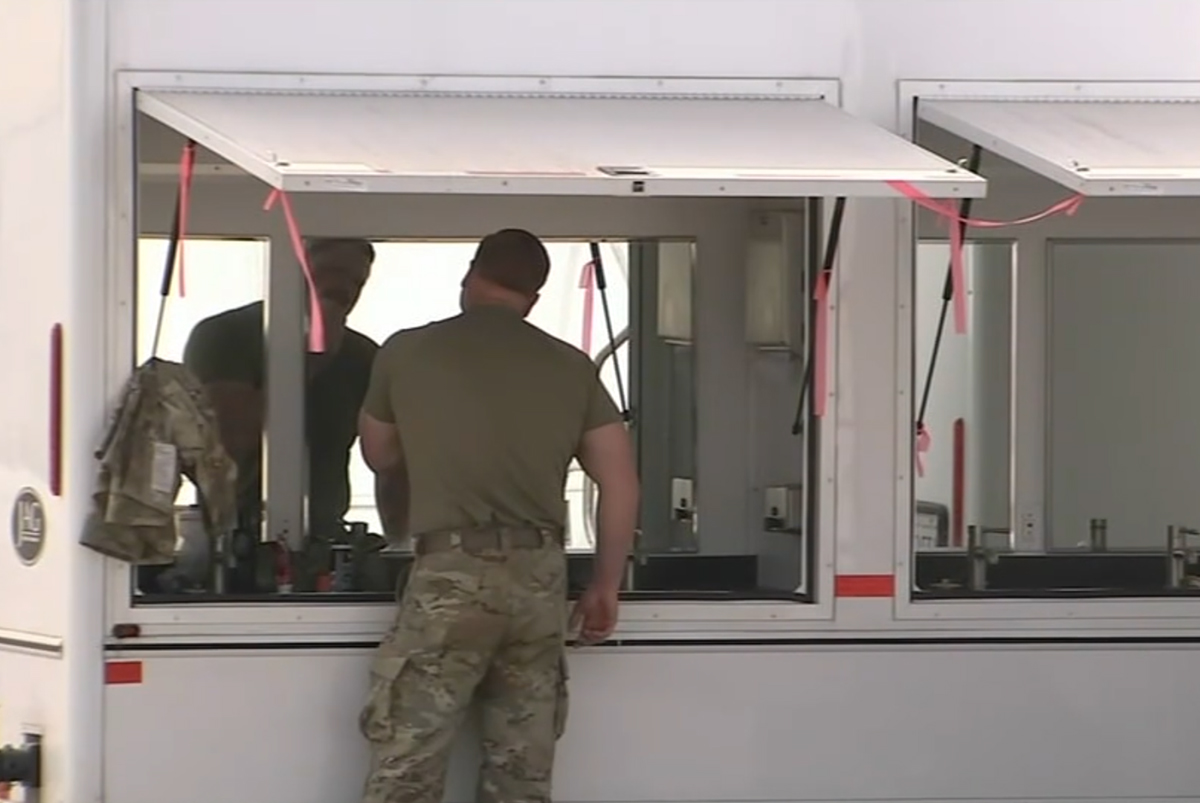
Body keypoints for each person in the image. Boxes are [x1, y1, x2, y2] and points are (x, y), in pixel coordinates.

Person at [356, 228, 640, 803]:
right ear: (534, 297)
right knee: (520, 770)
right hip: (538, 581)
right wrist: (606, 585)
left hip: (451, 578)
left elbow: (380, 456)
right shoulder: (571, 365)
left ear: (471, 274)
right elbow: (621, 483)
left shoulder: (407, 351)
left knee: (410, 760)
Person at [182, 237, 379, 563]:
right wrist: (311, 359)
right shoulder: (228, 335)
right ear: (294, 268)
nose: (344, 288)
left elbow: (388, 455)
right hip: (235, 540)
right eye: (331, 271)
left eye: (356, 281)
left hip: (326, 541)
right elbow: (232, 442)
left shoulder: (362, 356)